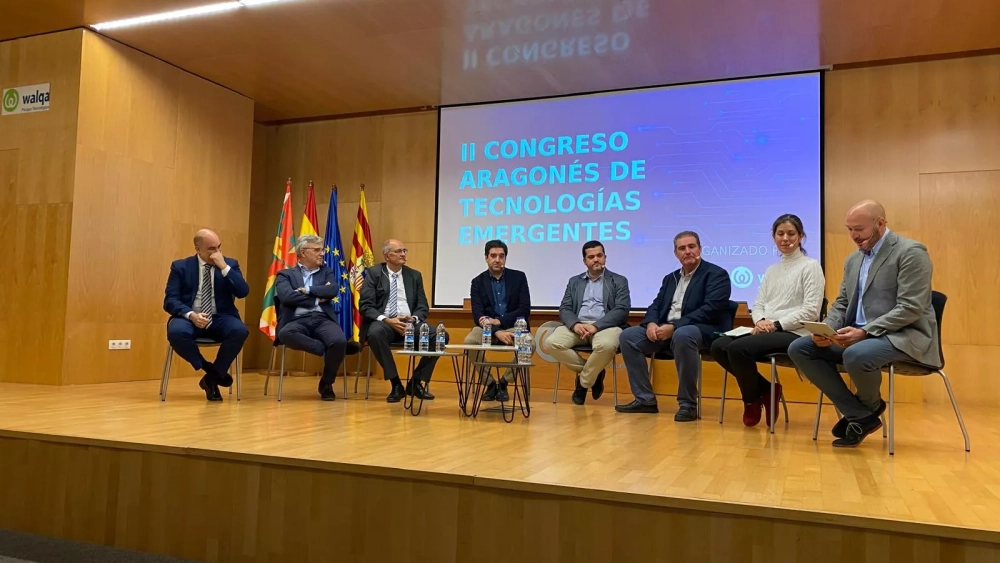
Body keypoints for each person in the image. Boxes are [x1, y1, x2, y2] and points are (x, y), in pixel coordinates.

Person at [788, 200, 939, 448]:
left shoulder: (911, 253)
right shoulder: (853, 260)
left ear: (880, 223)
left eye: (859, 229)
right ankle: (861, 415)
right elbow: (842, 302)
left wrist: (865, 331)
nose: (853, 236)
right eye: (849, 229)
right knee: (800, 348)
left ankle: (867, 408)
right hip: (858, 335)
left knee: (857, 354)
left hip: (902, 334)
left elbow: (911, 307)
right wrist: (826, 329)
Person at [709, 214, 825, 427]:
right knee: (718, 346)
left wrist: (775, 325)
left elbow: (811, 311)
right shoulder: (772, 270)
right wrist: (760, 320)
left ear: (801, 236)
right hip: (767, 329)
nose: (785, 238)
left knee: (738, 349)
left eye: (791, 233)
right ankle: (766, 389)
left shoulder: (811, 266)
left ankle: (750, 400)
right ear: (774, 237)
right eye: (780, 234)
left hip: (794, 332)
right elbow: (759, 304)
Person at [616, 231, 732, 421]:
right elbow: (656, 304)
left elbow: (710, 309)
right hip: (667, 330)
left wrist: (674, 327)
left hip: (701, 330)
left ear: (700, 249)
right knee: (628, 336)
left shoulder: (716, 274)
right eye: (682, 248)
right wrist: (651, 323)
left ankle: (687, 404)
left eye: (691, 246)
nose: (687, 251)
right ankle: (645, 400)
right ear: (676, 253)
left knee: (683, 334)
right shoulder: (670, 278)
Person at [164, 229, 250, 402]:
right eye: (211, 249)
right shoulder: (180, 267)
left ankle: (211, 379)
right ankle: (210, 370)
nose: (217, 252)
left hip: (221, 317)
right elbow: (170, 300)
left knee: (240, 330)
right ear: (198, 249)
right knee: (176, 332)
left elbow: (243, 292)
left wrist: (224, 268)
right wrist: (191, 315)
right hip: (190, 317)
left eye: (219, 247)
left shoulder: (230, 264)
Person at [359, 239, 447, 403]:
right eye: (398, 251)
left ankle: (415, 382)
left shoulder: (414, 275)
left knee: (440, 335)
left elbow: (422, 306)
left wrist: (413, 319)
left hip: (409, 325)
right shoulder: (374, 273)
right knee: (375, 333)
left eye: (404, 251)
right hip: (384, 323)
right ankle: (396, 384)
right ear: (387, 255)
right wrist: (388, 320)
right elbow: (366, 306)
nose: (403, 254)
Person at [548, 241, 631, 405]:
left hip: (605, 326)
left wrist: (596, 326)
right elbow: (565, 308)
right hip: (578, 326)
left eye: (599, 256)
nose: (596, 260)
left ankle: (583, 382)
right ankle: (595, 372)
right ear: (585, 261)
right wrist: (575, 324)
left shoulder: (618, 281)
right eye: (591, 257)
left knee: (607, 345)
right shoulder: (574, 281)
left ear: (605, 257)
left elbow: (622, 309)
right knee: (552, 343)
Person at [275, 235, 348, 401]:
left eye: (321, 250)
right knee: (285, 334)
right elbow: (287, 297)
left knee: (338, 341)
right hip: (296, 320)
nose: (322, 253)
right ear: (303, 252)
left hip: (322, 318)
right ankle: (326, 349)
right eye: (317, 250)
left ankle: (327, 382)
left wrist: (307, 290)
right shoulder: (285, 275)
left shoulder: (326, 272)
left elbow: (332, 290)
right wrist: (316, 298)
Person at [463, 239, 531, 402]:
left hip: (514, 326)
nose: (497, 260)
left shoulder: (519, 277)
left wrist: (500, 322)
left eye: (501, 256)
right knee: (470, 341)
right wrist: (497, 332)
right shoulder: (477, 282)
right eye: (493, 256)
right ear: (486, 258)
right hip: (486, 329)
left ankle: (504, 382)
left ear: (505, 258)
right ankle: (490, 383)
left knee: (529, 343)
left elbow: (524, 309)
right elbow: (478, 315)